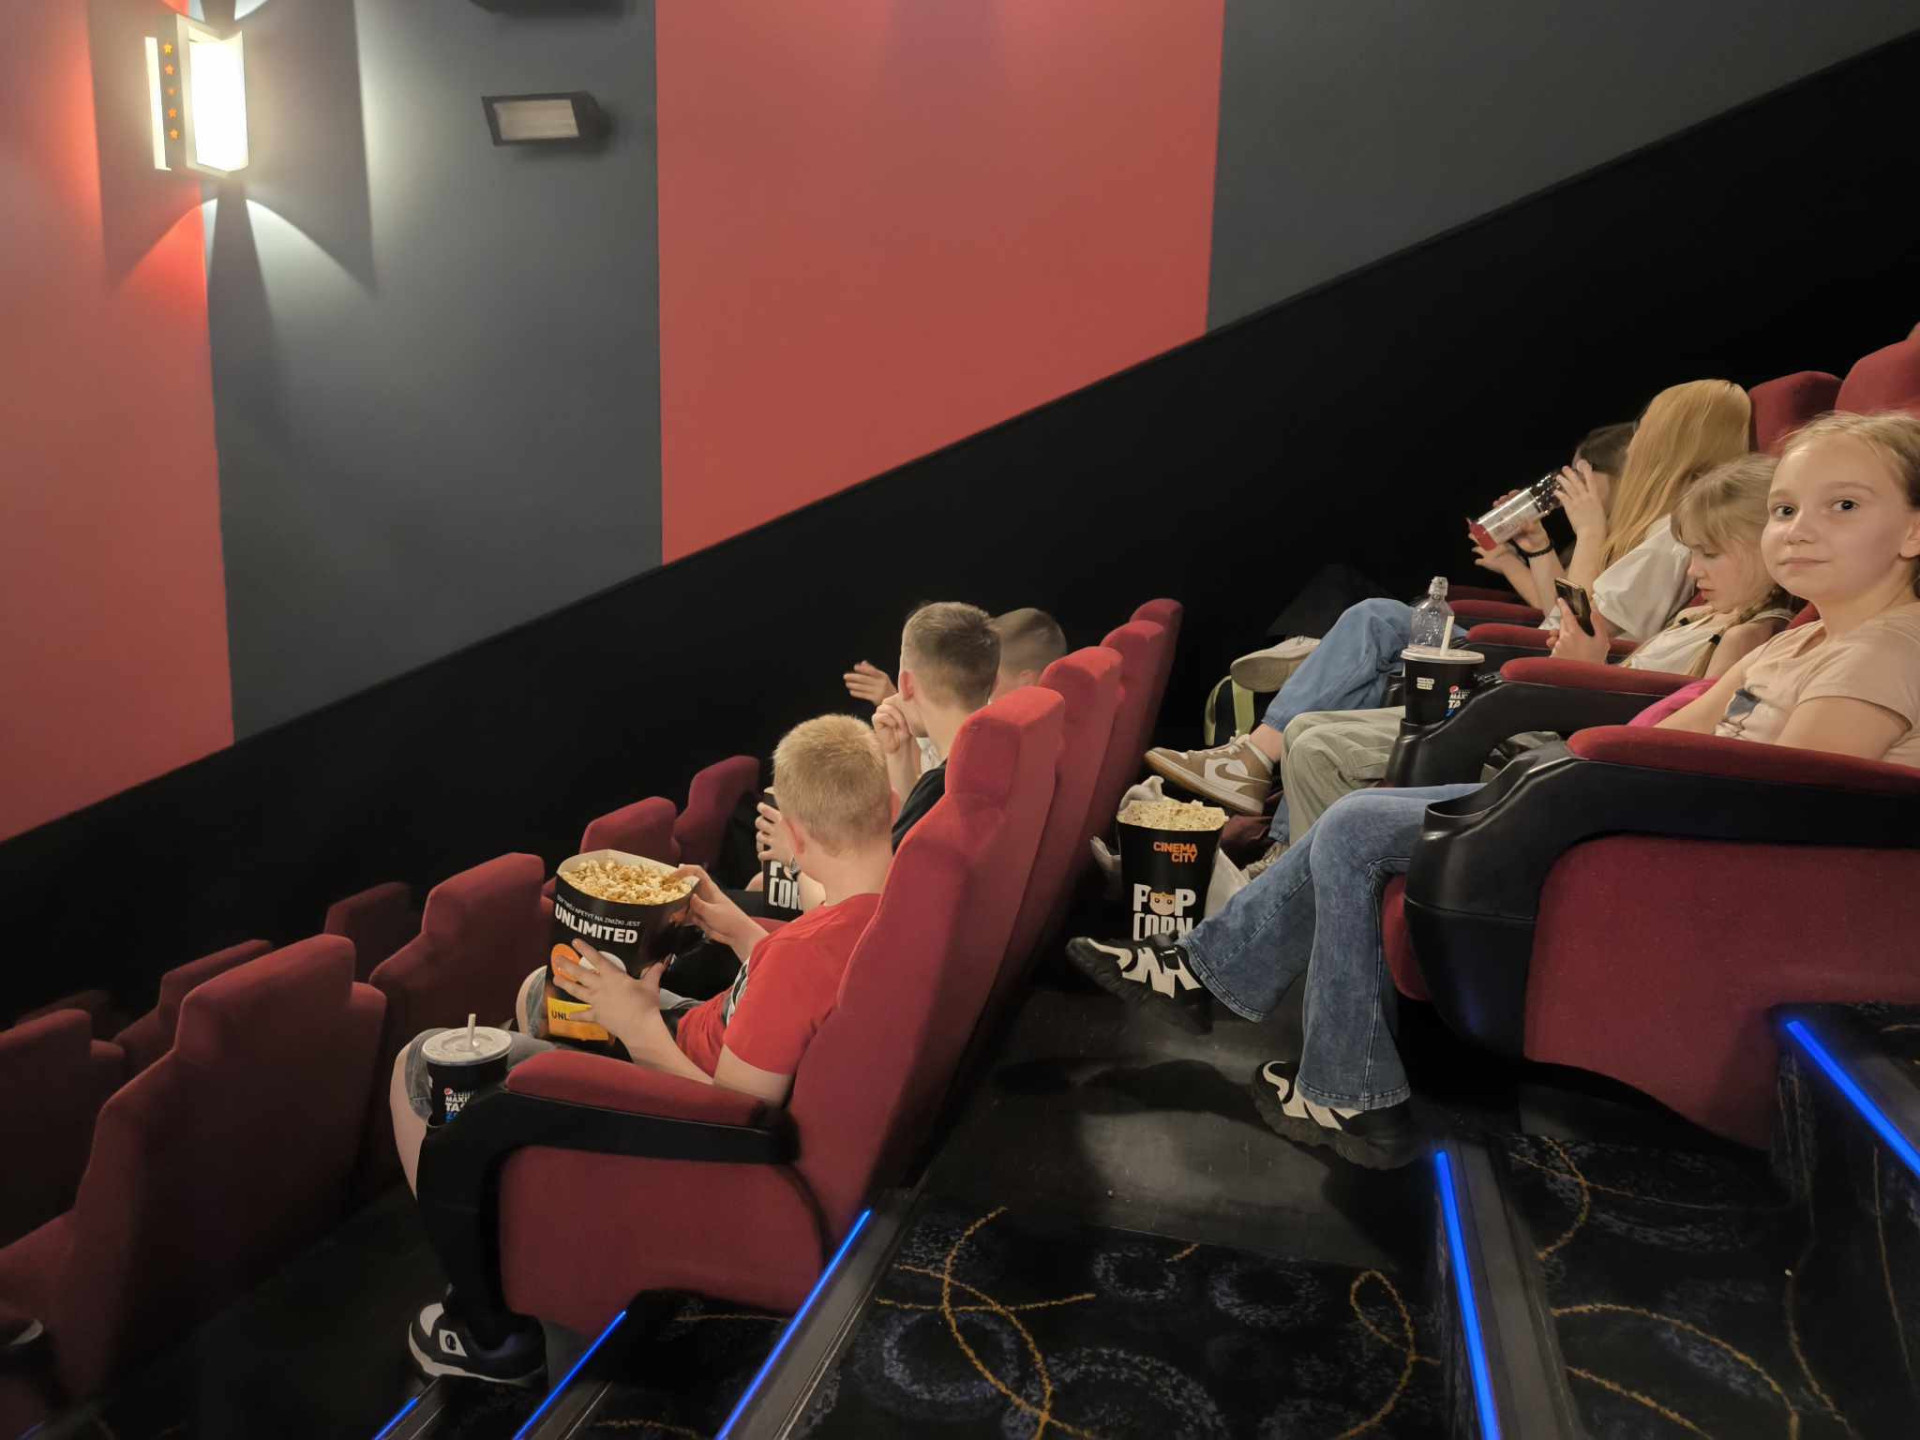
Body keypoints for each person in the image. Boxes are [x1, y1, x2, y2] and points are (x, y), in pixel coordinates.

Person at [1067, 410, 1920, 1171]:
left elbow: (1786, 801)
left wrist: (1579, 780)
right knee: (1358, 822)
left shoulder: (1885, 648)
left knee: (1360, 825)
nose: (1798, 531)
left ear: (1915, 529)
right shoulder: (1800, 642)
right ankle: (1296, 1047)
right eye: (1784, 510)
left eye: (1843, 506)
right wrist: (1572, 772)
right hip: (1644, 816)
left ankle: (1289, 1041)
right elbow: (1671, 735)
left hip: (1690, 858)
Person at [392, 714, 893, 1383]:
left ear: (795, 836)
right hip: (703, 1040)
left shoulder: (802, 959)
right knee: (545, 992)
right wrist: (739, 930)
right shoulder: (889, 905)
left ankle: (489, 1331)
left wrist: (637, 1027)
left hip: (685, 1104)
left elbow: (733, 1114)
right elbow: (793, 988)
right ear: (888, 806)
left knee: (419, 1064)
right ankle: (545, 1202)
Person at [1144, 379, 1753, 817]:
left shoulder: (1671, 537)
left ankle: (1264, 742)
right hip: (1545, 667)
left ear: (1675, 440)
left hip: (1545, 682)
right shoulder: (1659, 529)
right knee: (1364, 641)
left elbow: (1573, 624)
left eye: (1649, 430)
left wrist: (1586, 534)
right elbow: (1564, 616)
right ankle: (1268, 771)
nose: (1637, 442)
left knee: (1376, 620)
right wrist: (1537, 552)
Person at [1265, 453, 1796, 856]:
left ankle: (1292, 898)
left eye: (1709, 554)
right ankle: (1285, 872)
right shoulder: (1704, 617)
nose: (1694, 570)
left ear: (1764, 547)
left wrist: (1586, 669)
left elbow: (1679, 740)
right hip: (1548, 719)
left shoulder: (1746, 637)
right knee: (1307, 727)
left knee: (1319, 741)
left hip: (1551, 740)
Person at [761, 602, 1002, 911]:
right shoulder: (993, 758)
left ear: (906, 683)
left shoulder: (944, 789)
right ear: (994, 681)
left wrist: (795, 856)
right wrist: (898, 755)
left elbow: (851, 911)